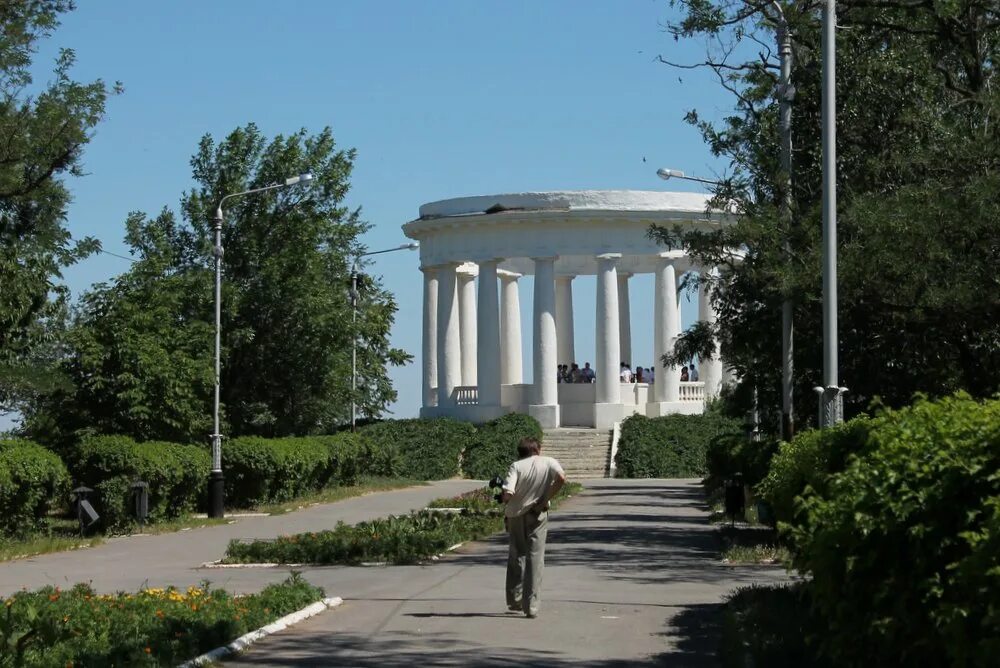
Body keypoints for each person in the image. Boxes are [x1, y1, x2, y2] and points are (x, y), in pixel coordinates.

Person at [502, 437, 566, 618]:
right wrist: (544, 499)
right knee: (535, 559)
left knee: (516, 555)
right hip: (538, 513)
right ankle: (531, 606)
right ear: (537, 449)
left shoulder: (516, 466)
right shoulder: (549, 462)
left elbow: (508, 493)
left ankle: (514, 599)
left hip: (515, 515)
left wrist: (503, 499)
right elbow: (561, 478)